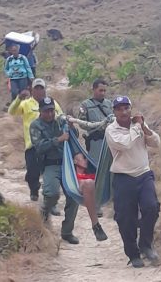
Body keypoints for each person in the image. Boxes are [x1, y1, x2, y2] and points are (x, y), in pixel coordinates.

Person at [105, 95, 160, 268]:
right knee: (125, 218)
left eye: (126, 108)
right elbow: (126, 144)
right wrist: (138, 126)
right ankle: (133, 254)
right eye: (119, 109)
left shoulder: (138, 125)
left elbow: (156, 143)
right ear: (114, 112)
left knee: (151, 207)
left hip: (144, 174)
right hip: (123, 177)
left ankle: (146, 245)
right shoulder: (111, 130)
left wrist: (144, 128)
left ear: (130, 109)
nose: (124, 112)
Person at [8, 78, 61, 215]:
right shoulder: (26, 104)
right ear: (32, 90)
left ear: (45, 89)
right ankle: (33, 189)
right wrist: (18, 99)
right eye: (36, 88)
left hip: (50, 145)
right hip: (32, 145)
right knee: (33, 172)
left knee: (49, 175)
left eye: (41, 88)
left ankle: (50, 202)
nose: (39, 90)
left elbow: (61, 116)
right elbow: (12, 112)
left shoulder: (52, 103)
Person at [30, 97, 79, 244]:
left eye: (52, 110)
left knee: (74, 196)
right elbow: (39, 147)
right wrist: (58, 140)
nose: (50, 114)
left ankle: (67, 231)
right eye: (46, 111)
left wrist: (71, 127)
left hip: (66, 163)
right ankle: (45, 212)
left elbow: (74, 137)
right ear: (40, 111)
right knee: (52, 193)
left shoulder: (61, 121)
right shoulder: (35, 126)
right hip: (50, 164)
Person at [78, 78, 113, 217]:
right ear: (94, 89)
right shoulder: (85, 105)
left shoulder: (110, 104)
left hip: (110, 141)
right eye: (100, 90)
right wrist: (98, 124)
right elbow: (82, 123)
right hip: (95, 141)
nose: (103, 93)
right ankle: (96, 204)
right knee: (96, 172)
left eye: (105, 90)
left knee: (112, 171)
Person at [73, 153, 108, 241]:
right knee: (88, 183)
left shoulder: (92, 175)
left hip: (94, 192)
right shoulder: (72, 176)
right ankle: (95, 225)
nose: (85, 161)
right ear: (75, 161)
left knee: (90, 182)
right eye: (82, 158)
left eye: (86, 159)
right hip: (83, 188)